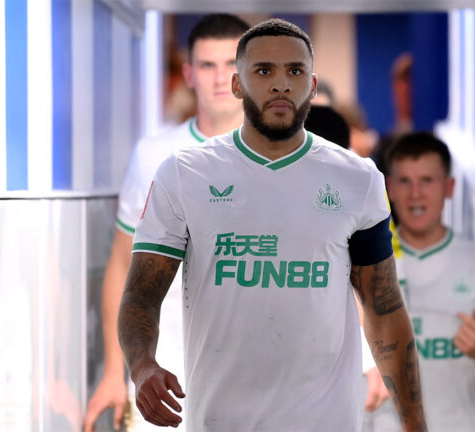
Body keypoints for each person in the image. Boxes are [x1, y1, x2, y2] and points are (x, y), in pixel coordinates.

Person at [117, 19, 427, 431]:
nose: (281, 84)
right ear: (237, 85)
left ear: (312, 86)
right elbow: (140, 294)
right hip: (220, 420)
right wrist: (142, 366)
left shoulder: (358, 178)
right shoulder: (184, 174)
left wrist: (415, 425)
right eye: (264, 71)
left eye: (295, 71)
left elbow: (384, 309)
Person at [83, 14, 250, 432]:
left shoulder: (279, 159)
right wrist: (116, 372)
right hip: (166, 374)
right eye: (208, 65)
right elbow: (122, 266)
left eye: (231, 64)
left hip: (254, 373)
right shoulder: (154, 155)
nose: (219, 78)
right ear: (189, 75)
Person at [364, 132, 475, 431]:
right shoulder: (364, 266)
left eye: (427, 181)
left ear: (449, 187)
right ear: (389, 188)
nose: (416, 194)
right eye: (405, 181)